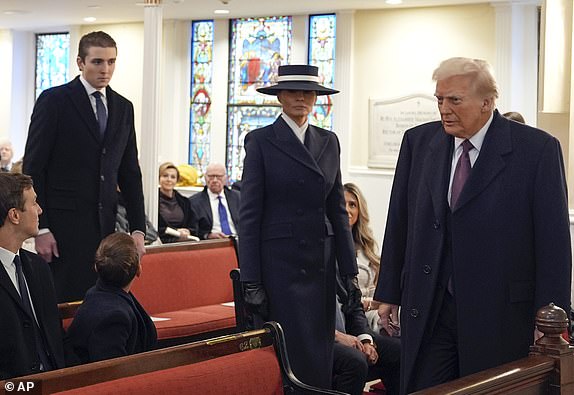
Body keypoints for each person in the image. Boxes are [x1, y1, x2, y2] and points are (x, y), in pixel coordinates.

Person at [374, 57, 571, 394]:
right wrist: (389, 291)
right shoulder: (418, 143)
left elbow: (553, 243)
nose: (444, 109)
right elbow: (399, 222)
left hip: (498, 312)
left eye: (454, 100)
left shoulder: (536, 151)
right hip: (431, 308)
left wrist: (550, 321)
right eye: (439, 99)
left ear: (487, 101)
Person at [239, 64, 359, 389]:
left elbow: (337, 211)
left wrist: (349, 273)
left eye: (308, 92)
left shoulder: (328, 141)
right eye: (293, 91)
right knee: (290, 360)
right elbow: (248, 217)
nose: (302, 98)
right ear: (279, 96)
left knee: (320, 358)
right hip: (281, 268)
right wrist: (251, 280)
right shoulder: (261, 141)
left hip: (320, 265)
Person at [23, 31, 146, 303]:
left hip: (105, 226)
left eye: (111, 62)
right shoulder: (55, 100)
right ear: (80, 62)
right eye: (98, 62)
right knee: (64, 303)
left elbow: (129, 172)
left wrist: (138, 229)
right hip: (63, 227)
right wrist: (41, 228)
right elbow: (34, 167)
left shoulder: (123, 107)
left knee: (103, 303)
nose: (106, 70)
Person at [0, 173, 65, 378]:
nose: (40, 210)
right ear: (15, 215)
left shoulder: (38, 266)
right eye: (34, 203)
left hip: (52, 380)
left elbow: (54, 334)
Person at [66, 232, 157, 363]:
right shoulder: (113, 317)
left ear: (96, 267)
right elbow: (113, 373)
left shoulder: (96, 294)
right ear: (139, 270)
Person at [333, 269, 400, 395]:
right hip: (315, 340)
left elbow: (355, 307)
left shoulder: (337, 263)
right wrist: (335, 335)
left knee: (398, 351)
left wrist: (365, 340)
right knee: (355, 361)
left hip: (348, 331)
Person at [344, 182, 381, 332]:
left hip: (374, 312)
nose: (346, 210)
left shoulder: (368, 249)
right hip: (350, 317)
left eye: (352, 205)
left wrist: (371, 303)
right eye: (342, 204)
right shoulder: (329, 246)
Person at [189, 162, 240, 239]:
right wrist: (208, 236)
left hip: (238, 241)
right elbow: (194, 231)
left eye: (219, 176)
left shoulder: (238, 197)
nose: (215, 180)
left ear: (226, 178)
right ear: (205, 177)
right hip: (213, 244)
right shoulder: (194, 202)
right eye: (211, 176)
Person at [158, 162, 198, 243]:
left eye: (173, 177)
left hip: (184, 242)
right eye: (165, 176)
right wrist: (176, 231)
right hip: (163, 242)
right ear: (159, 178)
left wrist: (188, 231)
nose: (169, 180)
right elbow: (154, 228)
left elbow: (193, 225)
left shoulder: (185, 202)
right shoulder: (153, 202)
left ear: (177, 180)